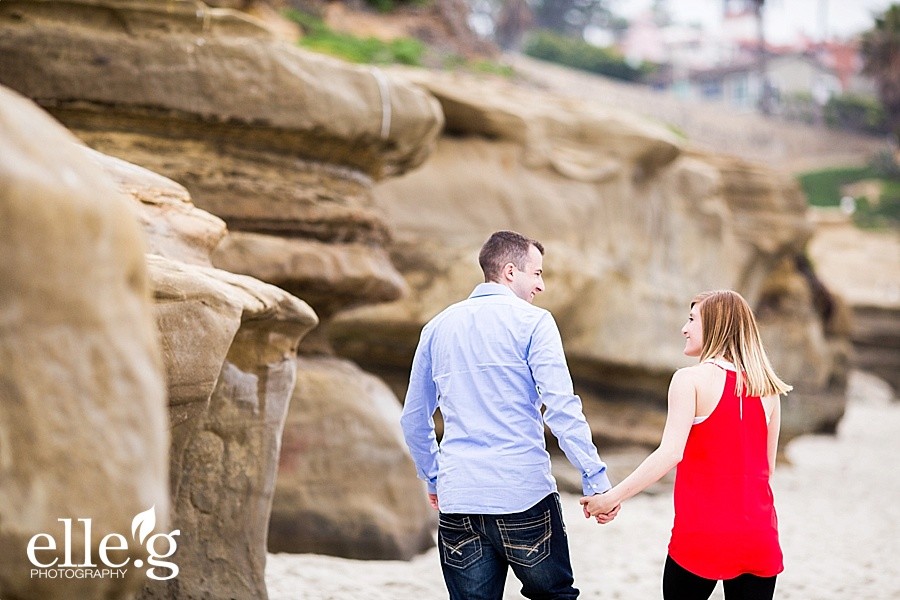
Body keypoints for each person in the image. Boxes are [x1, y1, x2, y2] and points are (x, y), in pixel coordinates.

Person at [400, 230, 617, 600]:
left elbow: (413, 419)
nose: (541, 285)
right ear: (510, 271)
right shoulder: (535, 322)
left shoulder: (437, 327)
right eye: (537, 273)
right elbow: (561, 409)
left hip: (459, 497)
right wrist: (595, 479)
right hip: (523, 495)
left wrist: (434, 477)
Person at [581, 290, 792, 600]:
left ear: (716, 325)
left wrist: (611, 497)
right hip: (758, 536)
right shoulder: (768, 388)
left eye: (692, 319)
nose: (685, 328)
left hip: (703, 537)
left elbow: (669, 453)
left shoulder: (689, 380)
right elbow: (767, 470)